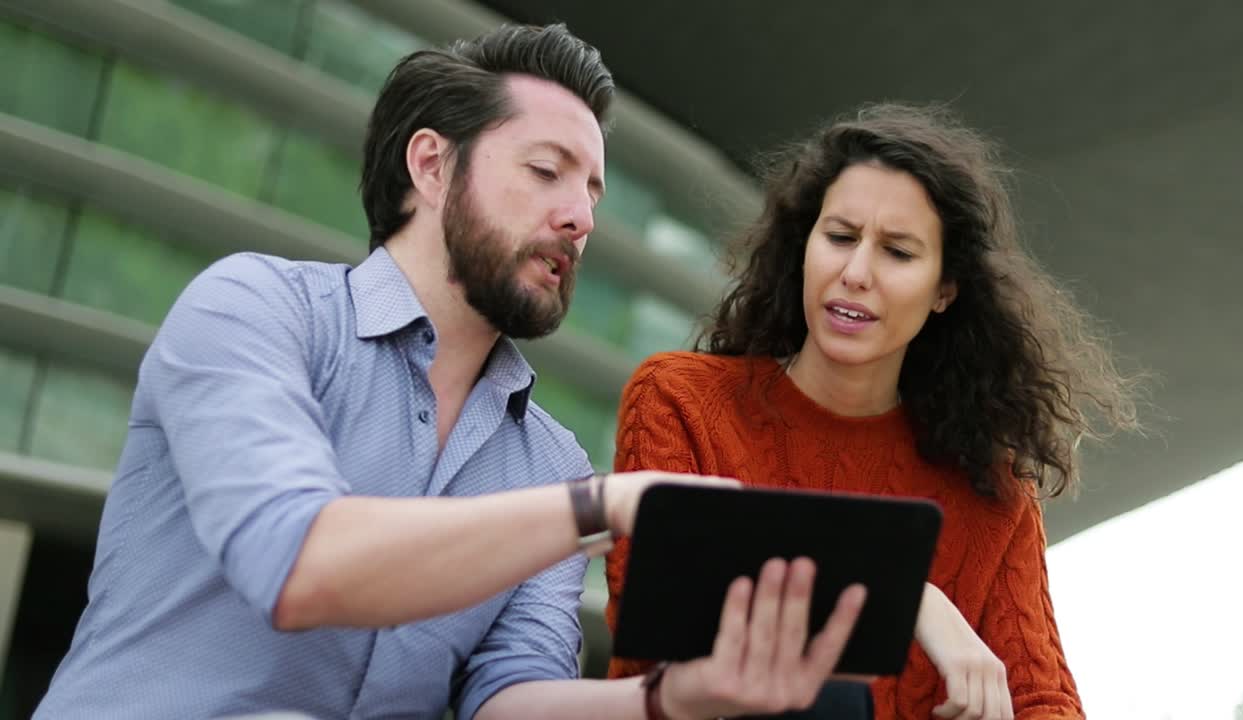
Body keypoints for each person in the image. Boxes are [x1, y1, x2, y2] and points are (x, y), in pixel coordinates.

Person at [34, 24, 869, 720]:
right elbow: (295, 564)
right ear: (431, 166)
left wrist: (672, 699)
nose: (580, 217)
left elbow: (507, 699)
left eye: (593, 192)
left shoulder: (549, 465)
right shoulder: (253, 308)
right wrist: (606, 507)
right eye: (546, 172)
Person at [605, 104, 1143, 720]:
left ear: (945, 290)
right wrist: (905, 597)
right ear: (802, 247)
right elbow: (658, 621)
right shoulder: (680, 398)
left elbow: (1044, 703)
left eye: (898, 252)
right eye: (839, 237)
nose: (855, 273)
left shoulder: (992, 494)